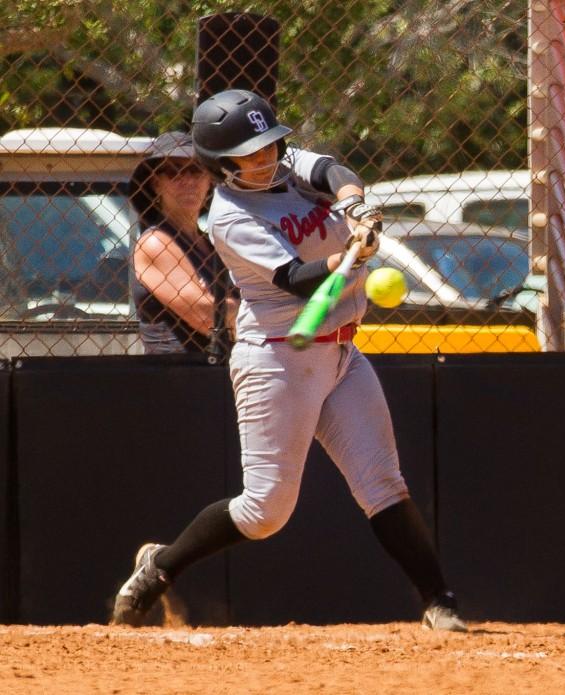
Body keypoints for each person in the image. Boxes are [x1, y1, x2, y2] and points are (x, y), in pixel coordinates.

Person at [111, 90, 466, 632]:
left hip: (343, 351)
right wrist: (349, 254)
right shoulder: (231, 217)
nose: (265, 158)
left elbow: (329, 169)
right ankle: (159, 566)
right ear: (222, 166)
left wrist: (354, 204)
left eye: (269, 146)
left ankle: (439, 601)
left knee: (384, 484)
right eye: (249, 154)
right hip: (279, 360)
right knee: (265, 512)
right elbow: (295, 281)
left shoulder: (287, 164)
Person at [129, 131, 238, 355]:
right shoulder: (156, 242)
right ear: (156, 184)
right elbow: (205, 315)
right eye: (174, 171)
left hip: (218, 370)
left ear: (209, 180)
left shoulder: (210, 242)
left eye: (196, 170)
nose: (187, 180)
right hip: (178, 378)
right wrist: (269, 312)